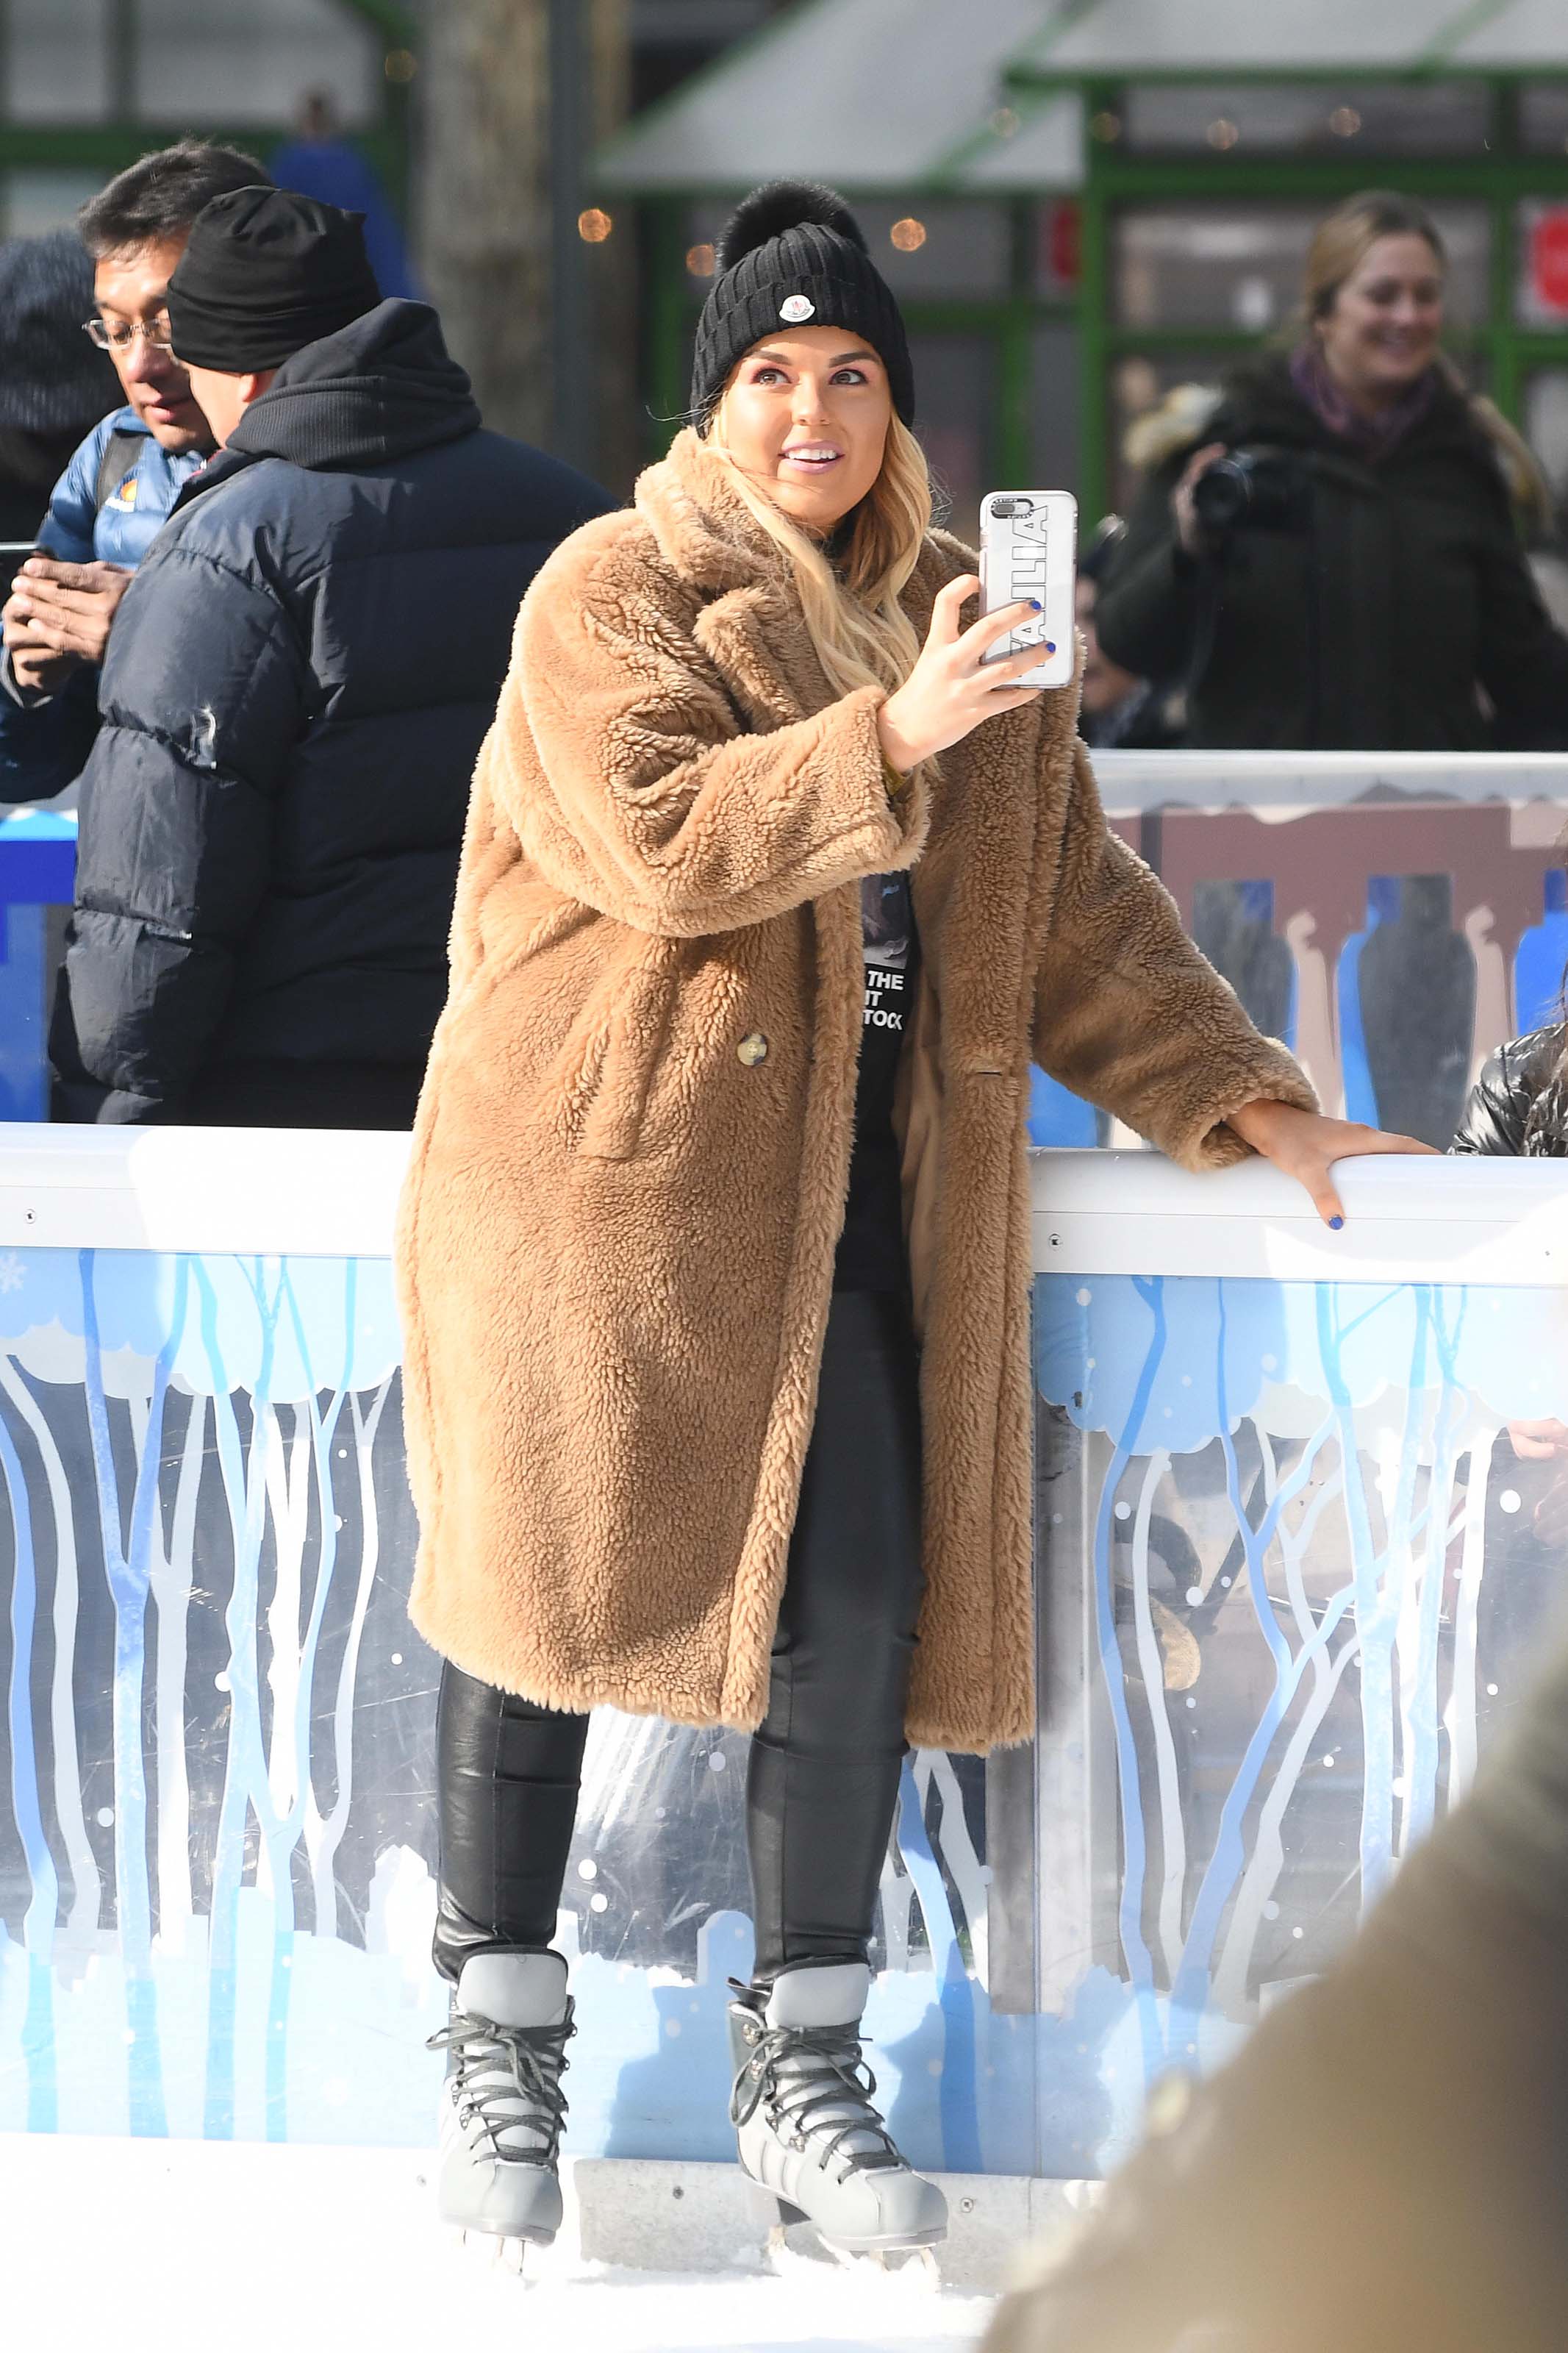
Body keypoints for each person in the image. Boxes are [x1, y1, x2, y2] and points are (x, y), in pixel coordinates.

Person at [393, 179, 1431, 2263]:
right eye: (770, 374)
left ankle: (806, 2065)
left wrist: (1246, 1100)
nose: (810, 409)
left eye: (846, 371)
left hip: (857, 1188)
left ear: (892, 398)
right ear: (715, 406)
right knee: (540, 1597)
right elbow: (671, 841)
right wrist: (889, 733)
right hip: (594, 1185)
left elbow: (1062, 914)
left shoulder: (963, 606)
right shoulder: (611, 590)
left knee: (850, 1608)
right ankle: (497, 2031)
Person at [49, 186, 607, 1126]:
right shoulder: (576, 517)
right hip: (544, 1077)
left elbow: (155, 906)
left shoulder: (227, 546)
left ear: (243, 376)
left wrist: (111, 1128)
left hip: (293, 1104)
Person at [1095, 190, 1568, 751]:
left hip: (1427, 818)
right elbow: (1127, 643)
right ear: (1322, 313)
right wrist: (1188, 551)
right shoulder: (1222, 445)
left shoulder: (1461, 462)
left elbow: (1525, 674)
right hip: (1255, 818)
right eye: (1381, 295)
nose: (1407, 316)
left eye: (1425, 295)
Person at [0, 142, 273, 806]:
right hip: (133, 887)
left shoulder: (335, 466)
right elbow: (28, 766)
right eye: (118, 333)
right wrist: (24, 685)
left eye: (169, 324)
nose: (141, 367)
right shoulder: (113, 450)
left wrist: (150, 631)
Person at [1075, 518, 1182, 751]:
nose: (1078, 641)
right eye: (1068, 623)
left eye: (1092, 617)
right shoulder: (1064, 736)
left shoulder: (1183, 728)